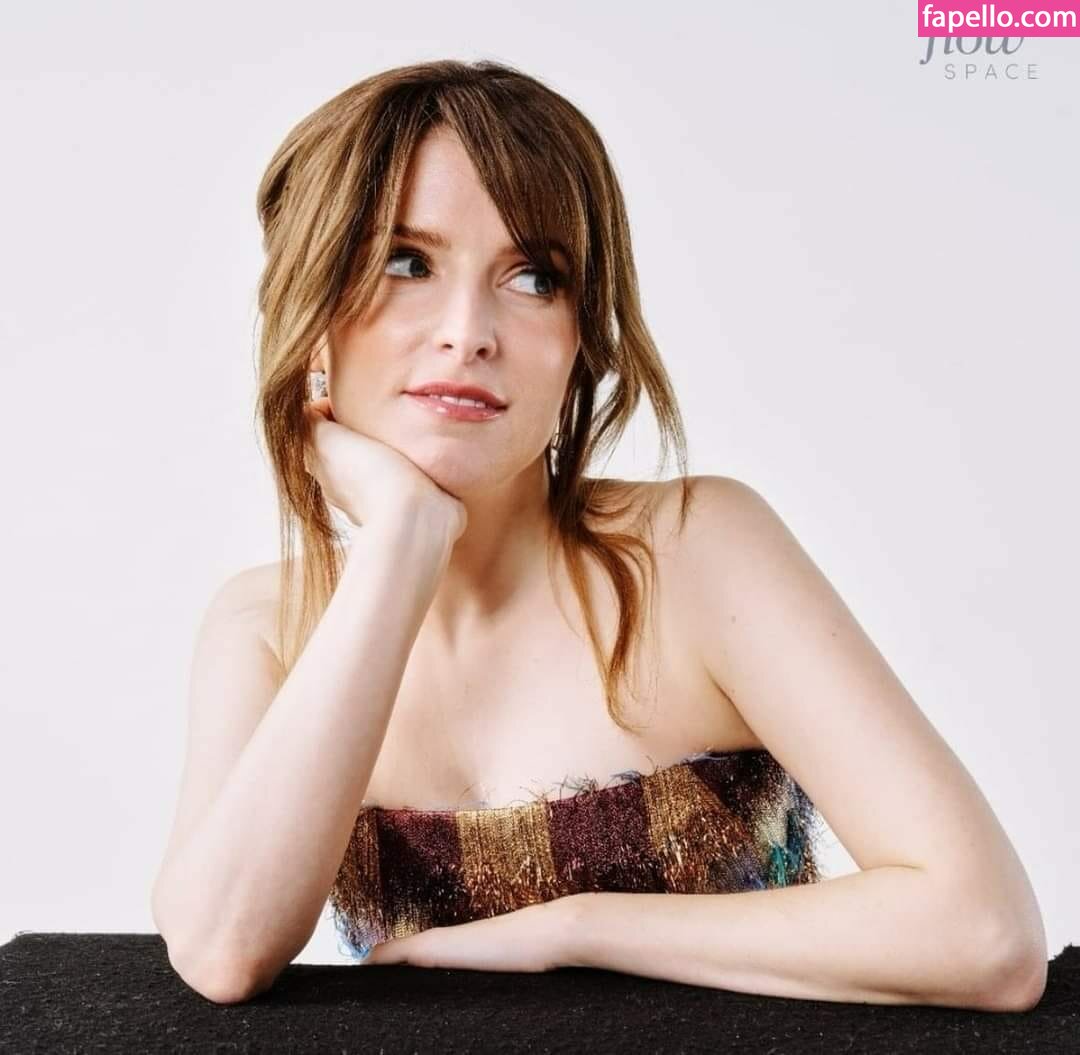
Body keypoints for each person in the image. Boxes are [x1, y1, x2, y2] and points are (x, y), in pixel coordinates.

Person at [150, 59, 1047, 1011]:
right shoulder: (267, 625)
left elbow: (983, 933)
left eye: (534, 277)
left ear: (581, 337)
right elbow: (220, 950)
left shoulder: (695, 554)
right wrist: (401, 541)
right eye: (406, 263)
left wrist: (574, 929)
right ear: (311, 313)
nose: (468, 331)